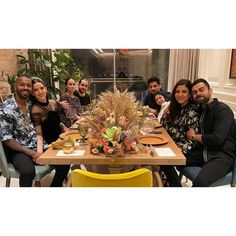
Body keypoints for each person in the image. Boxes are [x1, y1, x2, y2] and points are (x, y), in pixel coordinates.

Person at [0, 75, 66, 187]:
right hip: (18, 150)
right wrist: (32, 153)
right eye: (22, 84)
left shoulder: (31, 103)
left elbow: (48, 110)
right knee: (28, 172)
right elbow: (7, 140)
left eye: (28, 85)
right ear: (15, 86)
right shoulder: (5, 108)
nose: (25, 87)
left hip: (37, 145)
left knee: (64, 163)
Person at [184, 78, 235, 187]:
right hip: (204, 152)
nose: (198, 94)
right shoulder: (201, 110)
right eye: (194, 92)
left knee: (201, 182)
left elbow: (217, 139)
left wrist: (194, 137)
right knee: (173, 161)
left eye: (201, 90)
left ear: (210, 91)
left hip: (221, 156)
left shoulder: (222, 110)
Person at [30, 76, 70, 186]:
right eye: (36, 90)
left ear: (46, 89)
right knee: (64, 165)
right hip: (49, 144)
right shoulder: (35, 109)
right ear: (32, 93)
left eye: (41, 88)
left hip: (59, 140)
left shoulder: (53, 102)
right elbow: (39, 134)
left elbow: (57, 121)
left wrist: (66, 129)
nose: (40, 91)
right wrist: (39, 153)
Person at [160, 79, 200, 187]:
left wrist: (176, 148)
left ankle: (175, 185)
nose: (180, 94)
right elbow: (163, 125)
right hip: (174, 144)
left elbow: (189, 138)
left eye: (184, 92)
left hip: (189, 148)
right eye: (177, 92)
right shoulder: (177, 107)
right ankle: (162, 181)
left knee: (162, 160)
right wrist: (165, 112)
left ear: (189, 94)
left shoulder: (193, 110)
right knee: (155, 154)